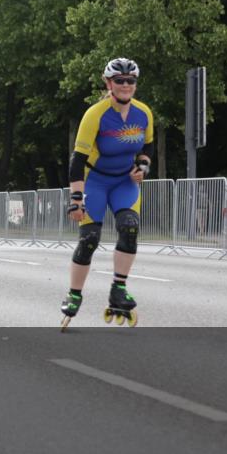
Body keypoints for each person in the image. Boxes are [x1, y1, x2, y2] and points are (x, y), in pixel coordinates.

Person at [60, 58, 154, 329]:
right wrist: (76, 200)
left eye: (131, 81)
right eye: (119, 81)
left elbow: (147, 146)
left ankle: (118, 288)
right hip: (95, 182)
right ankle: (75, 293)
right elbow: (76, 161)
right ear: (108, 83)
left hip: (124, 182)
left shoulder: (144, 113)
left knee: (130, 227)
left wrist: (143, 166)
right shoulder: (96, 114)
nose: (126, 86)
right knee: (89, 238)